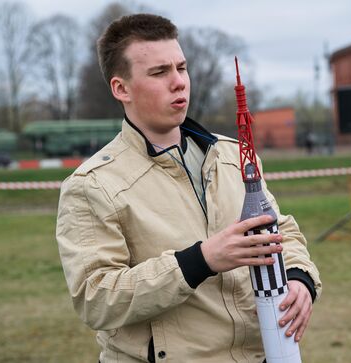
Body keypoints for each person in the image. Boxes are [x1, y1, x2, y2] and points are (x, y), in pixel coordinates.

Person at [56, 13, 321, 363]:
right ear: (121, 88)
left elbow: (279, 231)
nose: (178, 82)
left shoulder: (232, 157)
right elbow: (96, 298)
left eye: (181, 68)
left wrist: (299, 278)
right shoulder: (92, 186)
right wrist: (200, 261)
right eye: (159, 72)